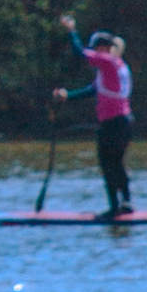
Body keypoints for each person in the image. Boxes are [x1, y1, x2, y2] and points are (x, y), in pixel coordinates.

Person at [55, 21, 135, 218]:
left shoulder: (108, 62)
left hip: (113, 123)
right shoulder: (117, 66)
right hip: (124, 121)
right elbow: (92, 90)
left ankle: (114, 208)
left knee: (108, 164)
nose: (94, 53)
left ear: (104, 49)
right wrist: (68, 95)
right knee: (117, 162)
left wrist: (71, 30)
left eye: (96, 49)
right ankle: (126, 202)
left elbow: (79, 53)